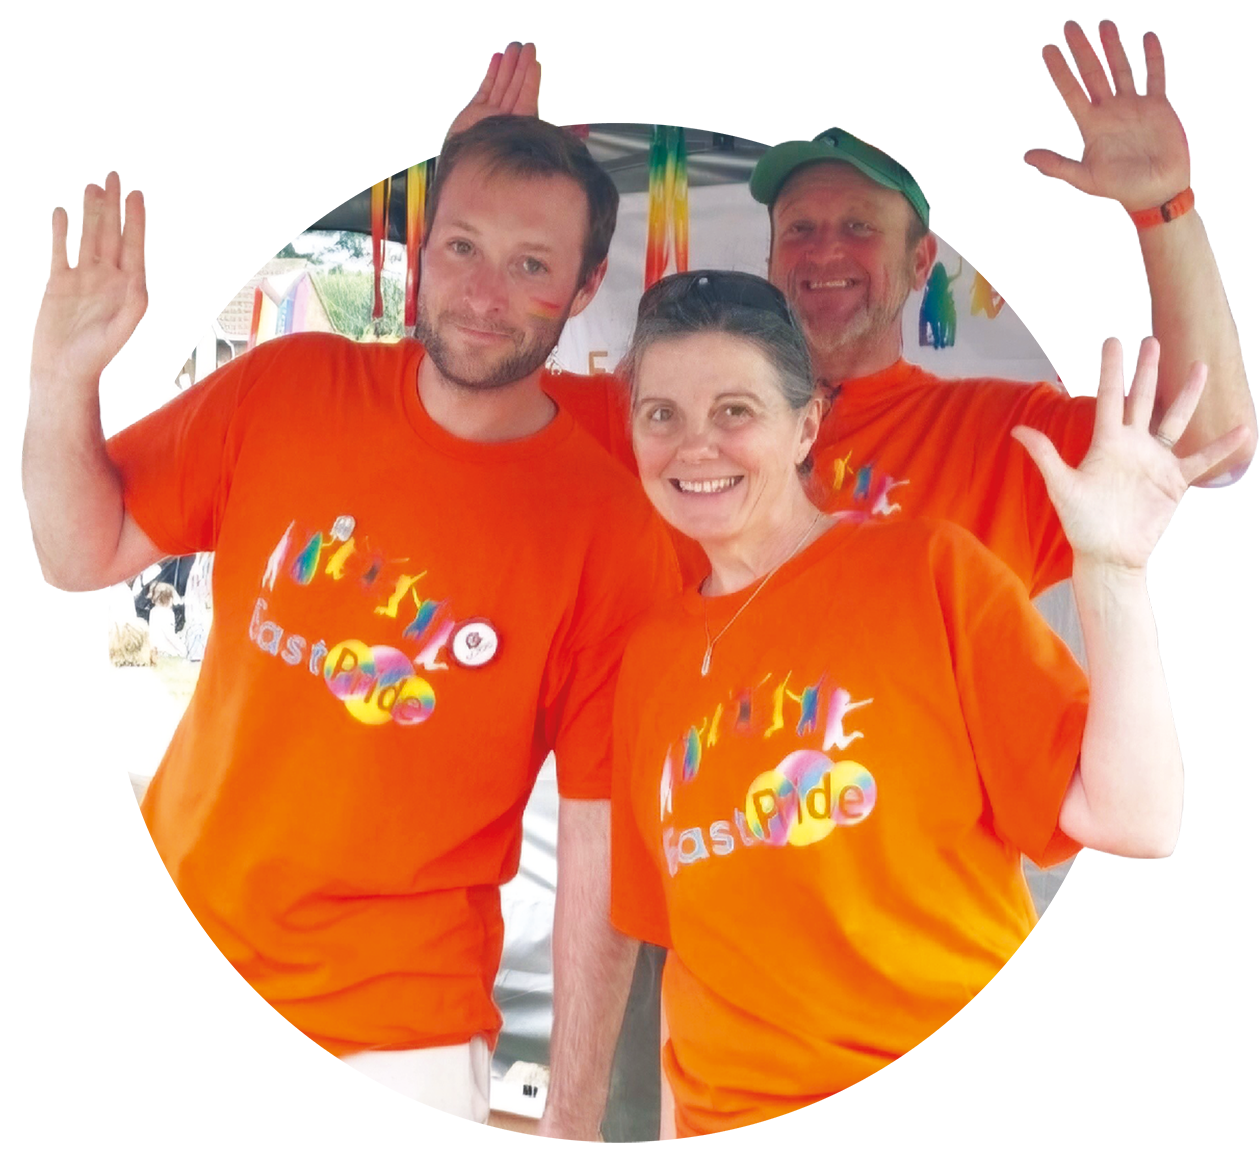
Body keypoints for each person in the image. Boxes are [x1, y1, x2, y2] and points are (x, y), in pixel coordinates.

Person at [21, 44, 675, 1143]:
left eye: (530, 265)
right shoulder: (291, 388)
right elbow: (87, 551)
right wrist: (60, 374)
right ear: (422, 245)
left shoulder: (610, 528)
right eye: (463, 246)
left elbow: (603, 853)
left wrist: (570, 1111)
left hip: (395, 1023)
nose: (481, 294)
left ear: (586, 286)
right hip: (168, 937)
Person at [607, 270, 1251, 1142]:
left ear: (805, 428)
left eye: (734, 412)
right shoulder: (649, 658)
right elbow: (685, 946)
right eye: (662, 415)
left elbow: (1135, 817)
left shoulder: (926, 571)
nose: (695, 447)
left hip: (943, 1104)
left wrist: (1112, 573)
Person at [547, 19, 1257, 593]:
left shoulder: (1002, 436)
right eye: (800, 229)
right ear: (769, 260)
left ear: (920, 262)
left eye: (859, 227)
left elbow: (1209, 445)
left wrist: (1165, 209)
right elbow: (462, 397)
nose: (825, 253)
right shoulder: (654, 421)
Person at [146, 581, 185, 658]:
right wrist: (182, 648)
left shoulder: (153, 611)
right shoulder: (167, 613)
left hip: (155, 648)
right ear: (169, 599)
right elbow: (170, 635)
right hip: (165, 649)